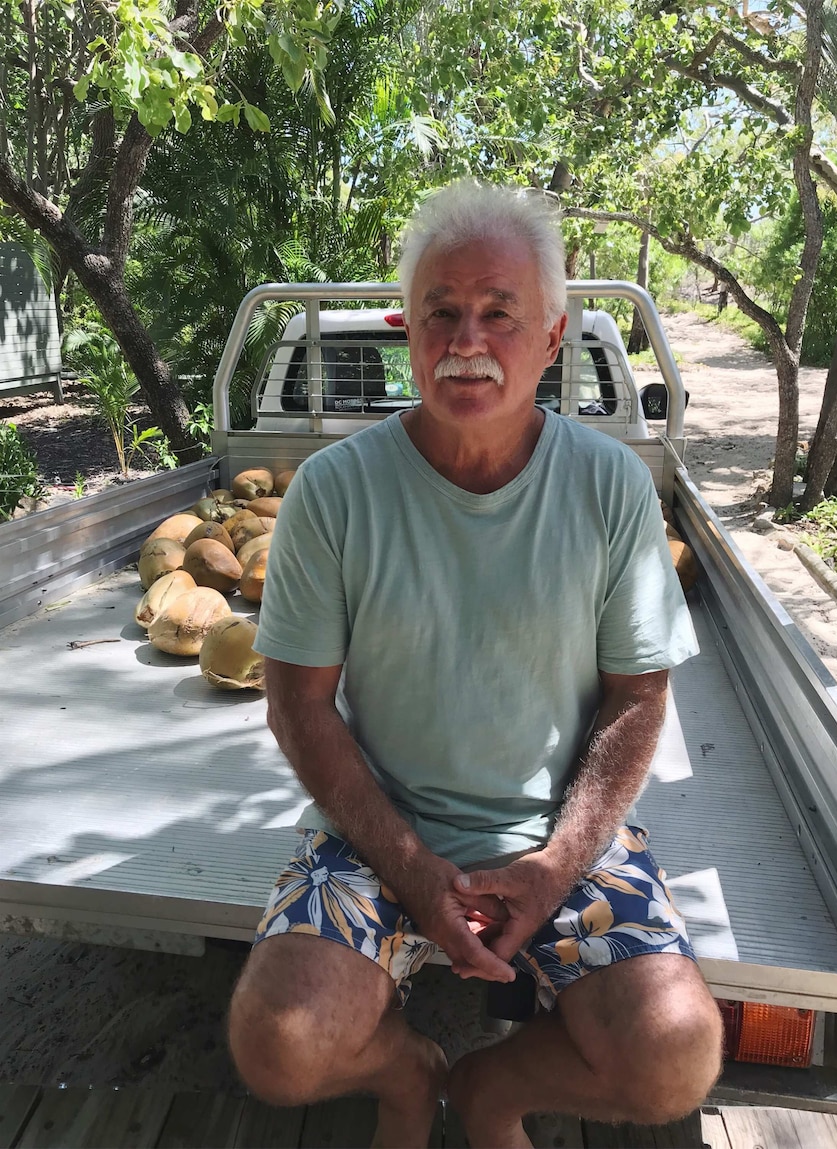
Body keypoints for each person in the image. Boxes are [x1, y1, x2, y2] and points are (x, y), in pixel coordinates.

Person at [228, 180, 723, 1149]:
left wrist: (549, 870)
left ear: (551, 337)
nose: (467, 341)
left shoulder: (610, 486)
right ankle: (408, 1073)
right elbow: (299, 708)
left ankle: (492, 1089)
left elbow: (636, 699)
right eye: (441, 314)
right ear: (400, 331)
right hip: (378, 834)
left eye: (500, 315)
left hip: (560, 840)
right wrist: (411, 870)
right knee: (277, 1046)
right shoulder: (334, 493)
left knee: (673, 1058)